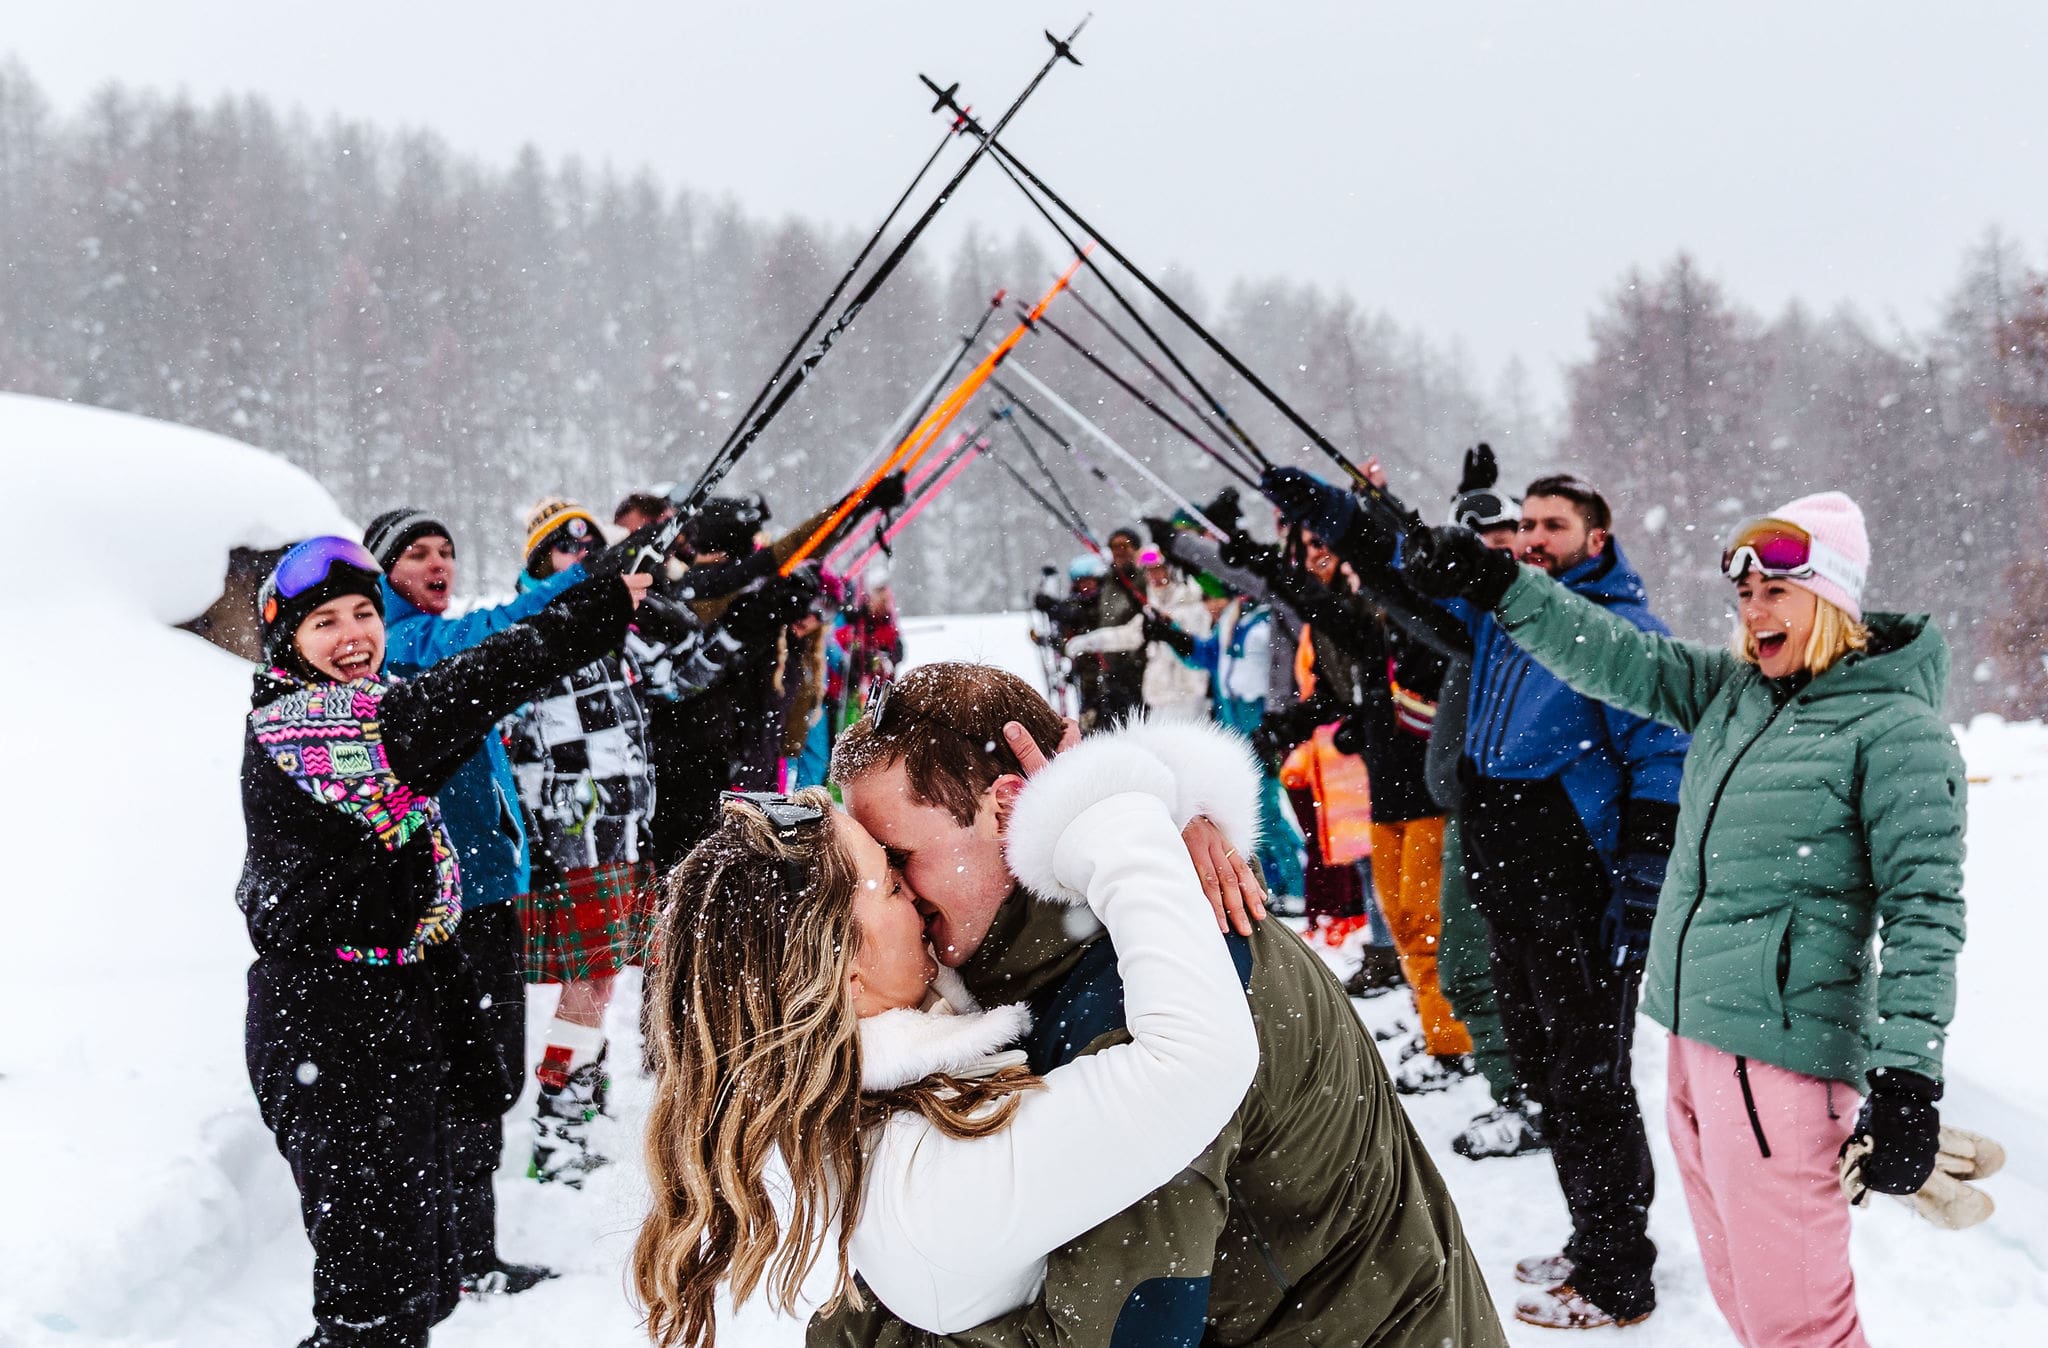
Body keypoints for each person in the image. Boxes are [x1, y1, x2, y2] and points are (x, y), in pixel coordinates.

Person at [1409, 491, 1966, 1346]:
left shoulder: (1896, 731)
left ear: (1835, 598)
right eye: (1744, 596)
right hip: (1696, 1042)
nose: (1754, 612)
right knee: (1746, 1299)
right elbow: (1606, 653)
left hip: (1783, 1061)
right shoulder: (1733, 695)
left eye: (1777, 593)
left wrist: (1908, 1080)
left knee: (1799, 1321)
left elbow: (1926, 911)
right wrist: (1498, 583)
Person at [810, 663, 1506, 1348]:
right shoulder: (1055, 943)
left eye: (896, 855)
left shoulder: (1149, 992)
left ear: (1008, 807)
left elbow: (1123, 1326)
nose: (881, 889)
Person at [632, 727, 1263, 1348]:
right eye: (892, 878)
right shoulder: (935, 1172)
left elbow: (989, 885)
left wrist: (1180, 814)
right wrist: (1122, 815)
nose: (917, 892)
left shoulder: (865, 1074)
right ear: (844, 973)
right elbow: (1199, 1058)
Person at [237, 535, 642, 1348]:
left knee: (417, 1281)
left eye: (363, 614)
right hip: (331, 1030)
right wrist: (589, 612)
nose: (354, 633)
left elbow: (463, 705)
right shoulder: (307, 729)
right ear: (290, 640)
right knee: (370, 1295)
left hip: (393, 1011)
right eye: (326, 622)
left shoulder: (368, 707)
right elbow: (475, 684)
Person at [1395, 473, 1689, 1328]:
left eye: (1551, 526)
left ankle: (1617, 1274)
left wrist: (1636, 897)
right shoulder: (1511, 621)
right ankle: (1592, 1237)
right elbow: (1408, 591)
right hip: (1519, 894)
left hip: (1585, 898)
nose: (1531, 539)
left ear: (1595, 539)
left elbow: (1663, 764)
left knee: (1590, 1083)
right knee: (1549, 1077)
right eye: (1523, 525)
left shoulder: (1624, 634)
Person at [363, 506, 581, 1296]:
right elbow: (494, 639)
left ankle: (466, 1251)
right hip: (444, 904)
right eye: (416, 553)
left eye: (446, 551)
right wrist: (573, 589)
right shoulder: (400, 646)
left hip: (489, 893)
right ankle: (456, 1257)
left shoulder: (435, 643)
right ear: (383, 571)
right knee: (462, 1079)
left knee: (486, 1077)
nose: (436, 564)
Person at [507, 496, 661, 1186]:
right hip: (573, 835)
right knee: (590, 984)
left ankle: (579, 1099)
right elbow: (513, 741)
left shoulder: (612, 629)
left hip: (621, 828)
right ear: (542, 564)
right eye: (565, 548)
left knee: (596, 981)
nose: (581, 555)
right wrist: (538, 836)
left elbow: (674, 676)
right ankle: (557, 1126)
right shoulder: (535, 626)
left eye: (590, 546)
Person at [1066, 545, 1213, 720]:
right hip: (1158, 697)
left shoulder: (1192, 602)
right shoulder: (1154, 607)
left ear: (1172, 571)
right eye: (1149, 572)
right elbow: (1128, 635)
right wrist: (1088, 641)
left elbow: (1194, 640)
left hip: (1189, 697)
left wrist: (1169, 626)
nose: (1154, 577)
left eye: (1159, 570)